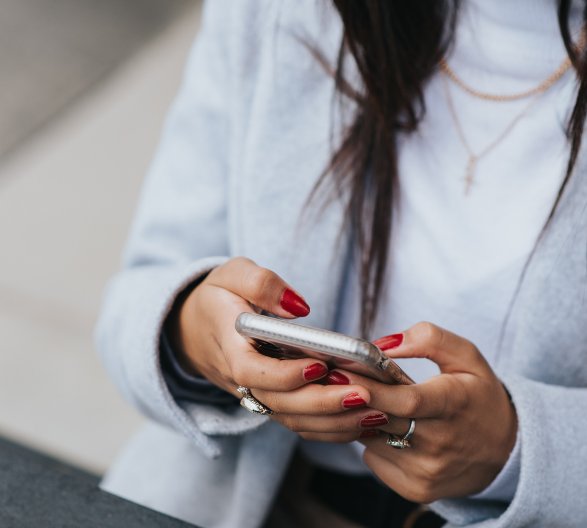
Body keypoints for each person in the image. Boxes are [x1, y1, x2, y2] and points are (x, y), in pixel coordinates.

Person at [95, 0, 587, 527]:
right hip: (247, 501)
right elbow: (130, 303)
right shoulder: (279, 12)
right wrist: (194, 333)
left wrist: (518, 451)